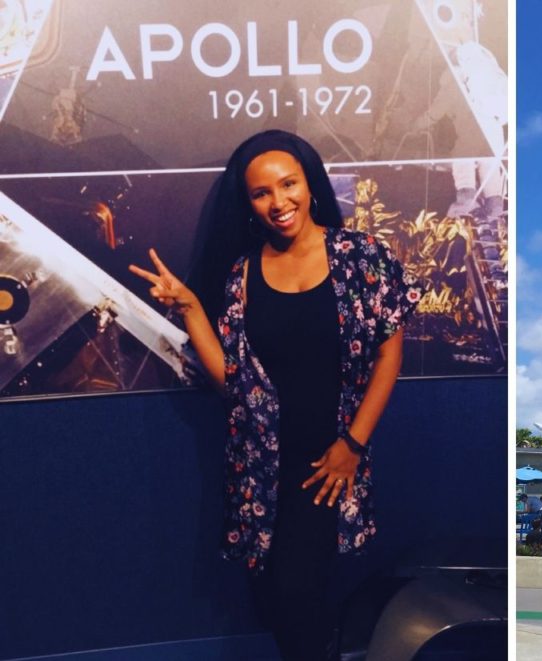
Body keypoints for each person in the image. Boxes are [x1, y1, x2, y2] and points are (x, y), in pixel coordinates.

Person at [130, 130, 420, 661]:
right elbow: (236, 388)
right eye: (262, 193)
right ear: (249, 203)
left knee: (294, 594)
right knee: (276, 602)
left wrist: (352, 446)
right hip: (260, 470)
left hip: (327, 465)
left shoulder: (361, 257)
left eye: (288, 184)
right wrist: (193, 309)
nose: (278, 202)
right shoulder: (243, 275)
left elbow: (389, 356)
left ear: (310, 187)